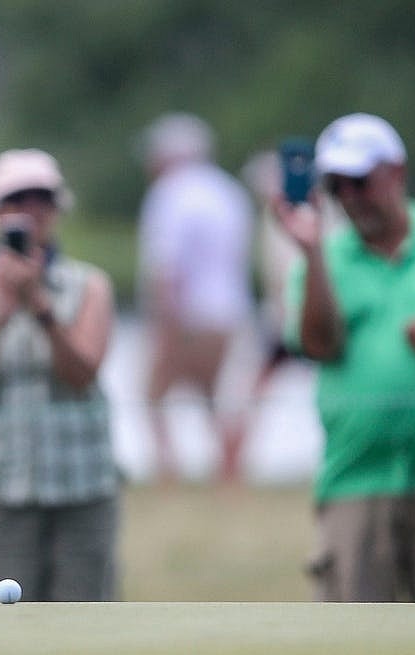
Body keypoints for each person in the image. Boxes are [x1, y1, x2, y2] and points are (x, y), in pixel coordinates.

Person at [274, 113, 415, 602]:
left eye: (359, 181)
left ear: (396, 172)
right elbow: (318, 345)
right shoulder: (322, 258)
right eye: (335, 186)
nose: (349, 197)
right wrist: (310, 255)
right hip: (355, 481)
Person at [0, 148, 119, 601]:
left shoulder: (90, 286)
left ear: (57, 208)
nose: (30, 210)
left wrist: (40, 306)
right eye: (17, 199)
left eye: (42, 198)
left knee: (84, 625)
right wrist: (2, 315)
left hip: (80, 485)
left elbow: (82, 372)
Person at [135, 113, 255, 483]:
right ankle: (228, 473)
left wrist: (165, 325)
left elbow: (167, 268)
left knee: (151, 395)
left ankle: (168, 472)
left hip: (187, 315)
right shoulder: (229, 192)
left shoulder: (170, 194)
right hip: (229, 312)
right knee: (214, 398)